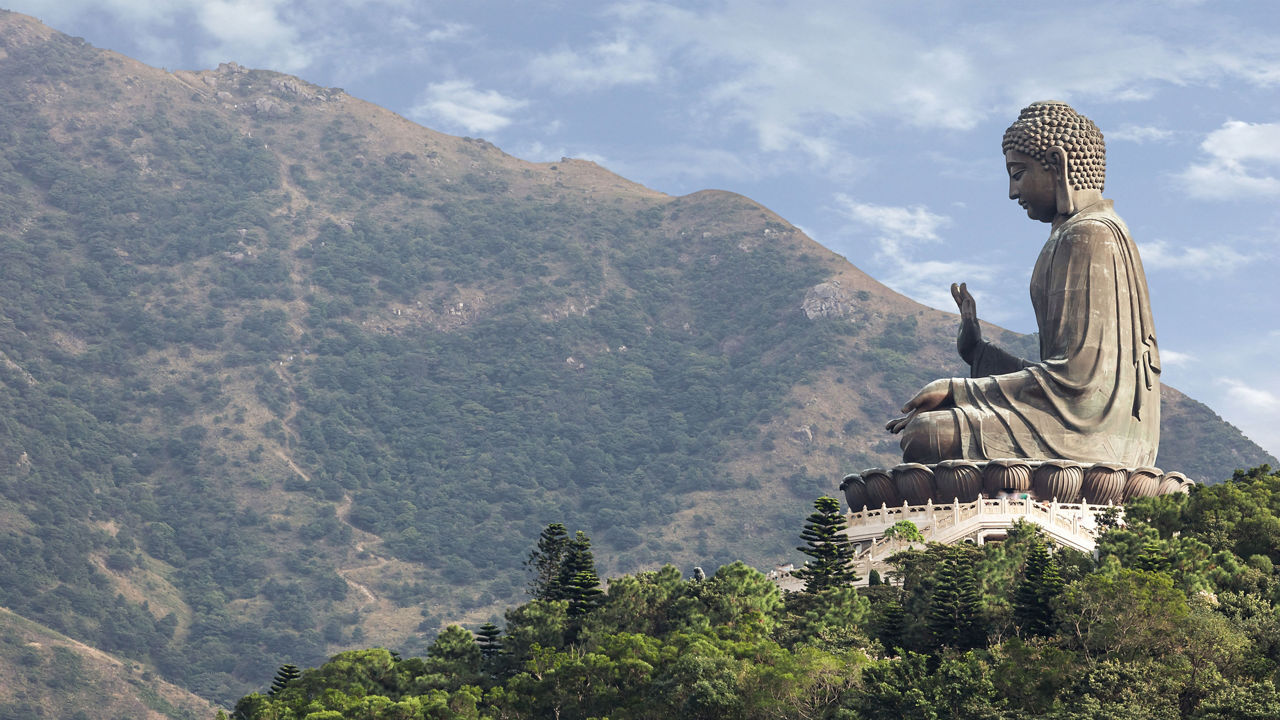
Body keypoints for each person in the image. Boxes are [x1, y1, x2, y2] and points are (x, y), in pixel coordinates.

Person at [886, 101, 1160, 466]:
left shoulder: (1088, 235)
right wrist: (977, 351)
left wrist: (957, 389)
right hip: (1081, 424)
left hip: (1091, 437)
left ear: (1058, 164)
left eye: (1018, 173)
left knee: (927, 435)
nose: (1013, 193)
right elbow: (1064, 378)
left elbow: (1077, 382)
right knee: (927, 429)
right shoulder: (1085, 232)